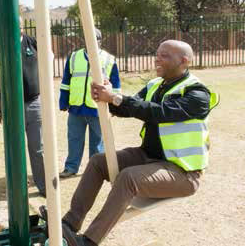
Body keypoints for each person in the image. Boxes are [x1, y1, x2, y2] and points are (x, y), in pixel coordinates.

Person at [41, 40, 219, 246]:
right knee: (99, 161)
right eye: (157, 54)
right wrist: (108, 97)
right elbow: (128, 108)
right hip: (150, 158)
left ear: (184, 61)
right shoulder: (155, 85)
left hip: (183, 172)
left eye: (165, 56)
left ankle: (88, 242)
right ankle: (69, 224)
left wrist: (116, 99)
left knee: (128, 178)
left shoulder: (197, 94)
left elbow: (159, 112)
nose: (157, 58)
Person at [0, 17, 46, 197]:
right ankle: (17, 188)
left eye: (19, 26)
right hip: (10, 105)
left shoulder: (33, 43)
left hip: (34, 102)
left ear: (23, 27)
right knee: (15, 148)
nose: (16, 29)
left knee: (38, 147)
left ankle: (43, 186)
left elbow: (48, 60)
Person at [59, 28, 121, 178]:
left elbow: (116, 85)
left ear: (100, 41)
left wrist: (114, 106)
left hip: (97, 108)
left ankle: (95, 171)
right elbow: (66, 81)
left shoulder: (109, 59)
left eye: (95, 39)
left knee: (97, 142)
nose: (91, 42)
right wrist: (63, 101)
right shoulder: (74, 57)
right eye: (87, 38)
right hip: (76, 108)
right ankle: (71, 167)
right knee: (74, 139)